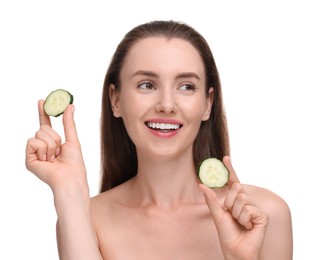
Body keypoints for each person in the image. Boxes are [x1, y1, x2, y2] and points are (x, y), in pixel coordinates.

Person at [25, 20, 293, 260]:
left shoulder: (263, 215)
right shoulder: (87, 218)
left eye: (186, 86)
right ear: (116, 100)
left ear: (207, 104)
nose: (166, 104)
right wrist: (69, 190)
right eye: (147, 85)